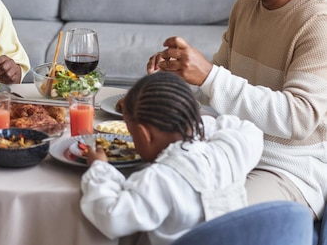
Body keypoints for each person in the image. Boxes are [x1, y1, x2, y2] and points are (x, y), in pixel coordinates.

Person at [147, 0, 327, 219]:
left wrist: (209, 76)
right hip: (230, 151)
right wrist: (177, 74)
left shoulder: (317, 21)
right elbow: (215, 89)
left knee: (198, 218)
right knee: (145, 196)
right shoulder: (246, 7)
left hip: (285, 168)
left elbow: (300, 118)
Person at [80, 72, 263, 245]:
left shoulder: (159, 179)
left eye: (133, 134)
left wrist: (99, 168)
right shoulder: (227, 152)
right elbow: (249, 130)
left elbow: (112, 218)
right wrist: (193, 129)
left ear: (144, 135)